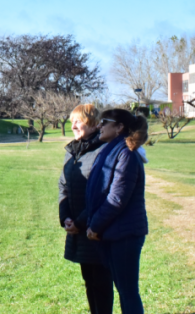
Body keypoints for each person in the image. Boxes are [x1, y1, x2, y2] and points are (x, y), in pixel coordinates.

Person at [85, 109, 150, 314]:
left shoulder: (127, 154)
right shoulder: (108, 150)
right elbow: (97, 194)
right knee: (123, 290)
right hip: (112, 233)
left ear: (119, 127)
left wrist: (94, 226)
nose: (99, 126)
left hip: (125, 235)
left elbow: (116, 198)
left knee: (128, 292)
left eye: (105, 121)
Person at [58, 104, 113, 314]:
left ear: (92, 123)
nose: (73, 125)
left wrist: (80, 222)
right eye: (71, 121)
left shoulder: (102, 150)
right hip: (77, 227)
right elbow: (63, 185)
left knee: (101, 282)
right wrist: (66, 219)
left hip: (96, 227)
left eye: (78, 121)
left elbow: (102, 193)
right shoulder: (72, 151)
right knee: (89, 280)